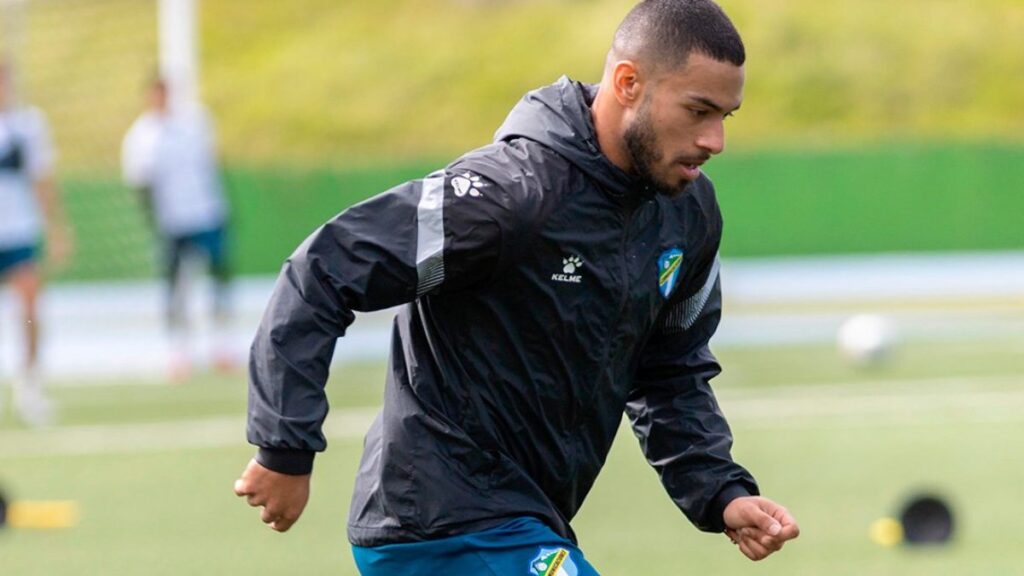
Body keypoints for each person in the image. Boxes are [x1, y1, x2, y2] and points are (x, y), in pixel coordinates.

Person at [235, 0, 800, 573]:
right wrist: (285, 445)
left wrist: (721, 490)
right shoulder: (511, 196)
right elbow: (325, 270)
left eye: (725, 116)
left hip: (525, 522)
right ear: (628, 83)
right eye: (698, 110)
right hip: (439, 521)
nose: (714, 141)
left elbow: (669, 371)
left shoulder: (688, 215)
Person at [121, 78, 233, 381]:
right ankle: (178, 350)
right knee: (176, 285)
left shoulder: (196, 120)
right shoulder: (141, 137)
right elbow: (141, 183)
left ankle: (220, 344)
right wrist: (157, 219)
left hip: (207, 213)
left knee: (219, 277)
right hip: (173, 221)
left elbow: (211, 162)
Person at [0, 61, 71, 427]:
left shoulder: (27, 125)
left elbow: (42, 178)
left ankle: (29, 385)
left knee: (29, 308)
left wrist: (56, 227)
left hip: (18, 231)